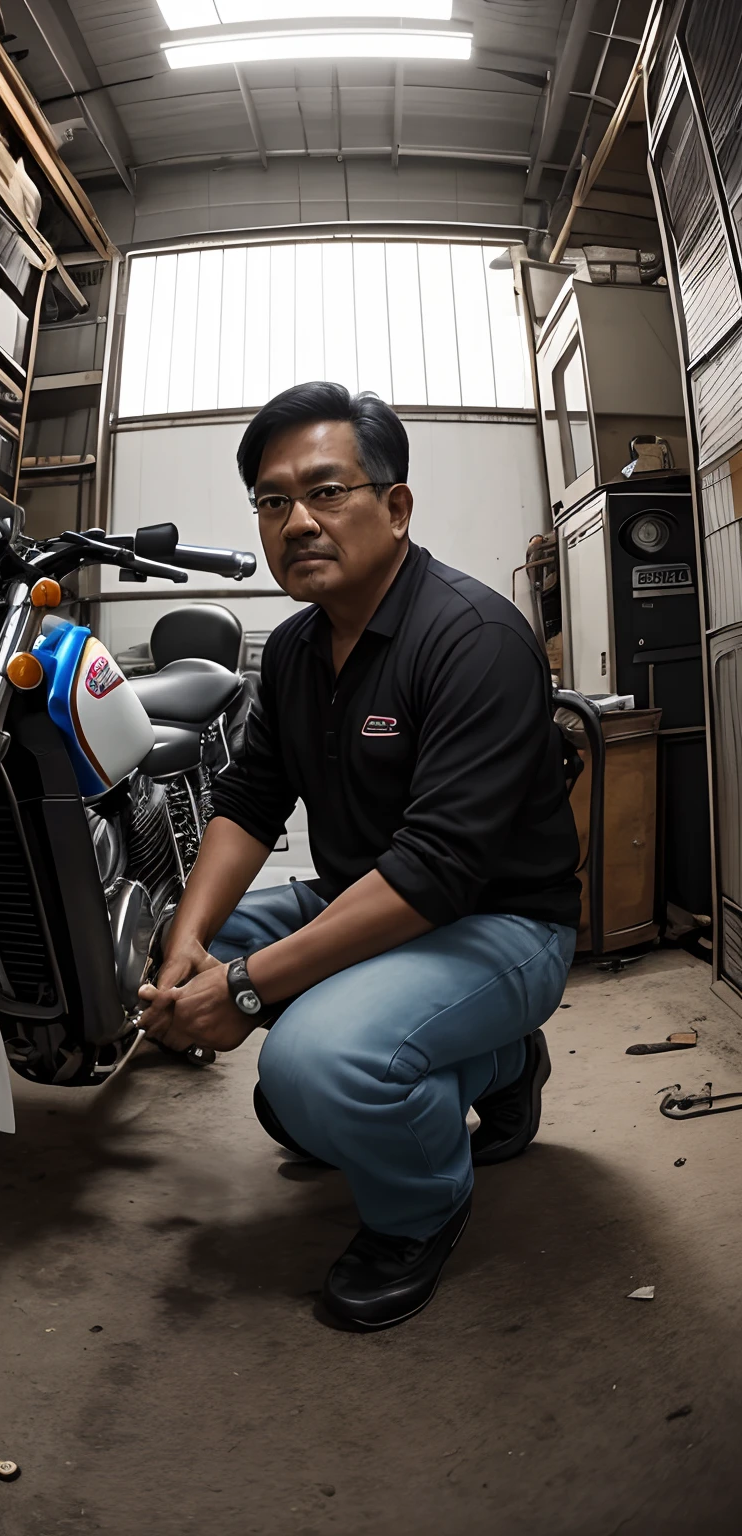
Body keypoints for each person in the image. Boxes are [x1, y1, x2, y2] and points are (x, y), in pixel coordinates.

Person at [138, 381, 581, 1332]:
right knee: (193, 975)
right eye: (271, 500)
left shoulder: (474, 640)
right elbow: (250, 799)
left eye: (327, 491)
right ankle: (487, 1068)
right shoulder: (295, 648)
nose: (296, 520)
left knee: (311, 1065)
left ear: (396, 505)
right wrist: (190, 940)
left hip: (499, 923)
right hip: (363, 902)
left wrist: (248, 989)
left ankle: (423, 1207)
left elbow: (435, 870)